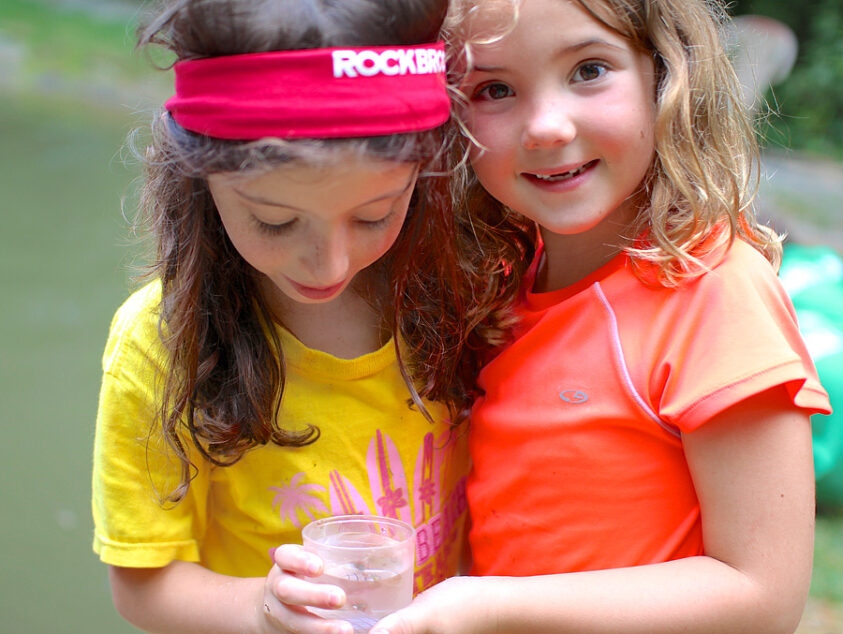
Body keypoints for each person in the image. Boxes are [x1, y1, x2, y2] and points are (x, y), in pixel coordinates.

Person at [370, 0, 832, 632]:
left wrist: (484, 607)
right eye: (494, 89)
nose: (547, 127)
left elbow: (763, 595)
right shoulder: (502, 282)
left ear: (666, 76)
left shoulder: (713, 292)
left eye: (588, 70)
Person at [90, 1, 517, 632]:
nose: (327, 263)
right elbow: (143, 586)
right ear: (200, 177)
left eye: (375, 214)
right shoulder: (162, 342)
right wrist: (266, 611)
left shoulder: (469, 279)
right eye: (276, 221)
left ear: (424, 177)